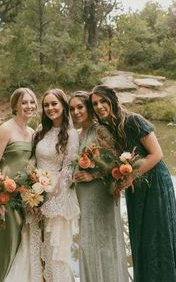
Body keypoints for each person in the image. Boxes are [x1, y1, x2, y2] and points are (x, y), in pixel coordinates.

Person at [90, 84, 176, 282]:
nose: (99, 106)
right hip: (136, 189)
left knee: (160, 233)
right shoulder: (107, 130)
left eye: (103, 101)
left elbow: (157, 154)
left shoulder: (134, 120)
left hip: (156, 183)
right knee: (141, 234)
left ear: (112, 100)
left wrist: (132, 176)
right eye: (95, 104)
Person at [69, 91, 129, 282]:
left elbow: (117, 163)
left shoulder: (100, 130)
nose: (76, 112)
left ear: (88, 107)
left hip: (100, 194)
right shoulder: (79, 134)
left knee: (104, 242)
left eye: (80, 107)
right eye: (71, 109)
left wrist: (92, 174)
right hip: (83, 196)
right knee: (88, 242)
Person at [0, 87, 38, 282]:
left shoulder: (32, 132)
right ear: (15, 105)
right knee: (3, 249)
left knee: (19, 248)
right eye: (24, 102)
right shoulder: (5, 129)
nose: (29, 106)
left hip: (21, 199)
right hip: (2, 198)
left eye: (32, 102)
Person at [32, 88, 80, 282]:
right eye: (46, 105)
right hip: (35, 192)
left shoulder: (71, 134)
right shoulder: (40, 130)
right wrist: (33, 195)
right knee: (35, 246)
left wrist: (47, 200)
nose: (50, 108)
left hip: (57, 197)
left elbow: (67, 171)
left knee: (55, 249)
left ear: (63, 105)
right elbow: (32, 162)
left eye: (54, 104)